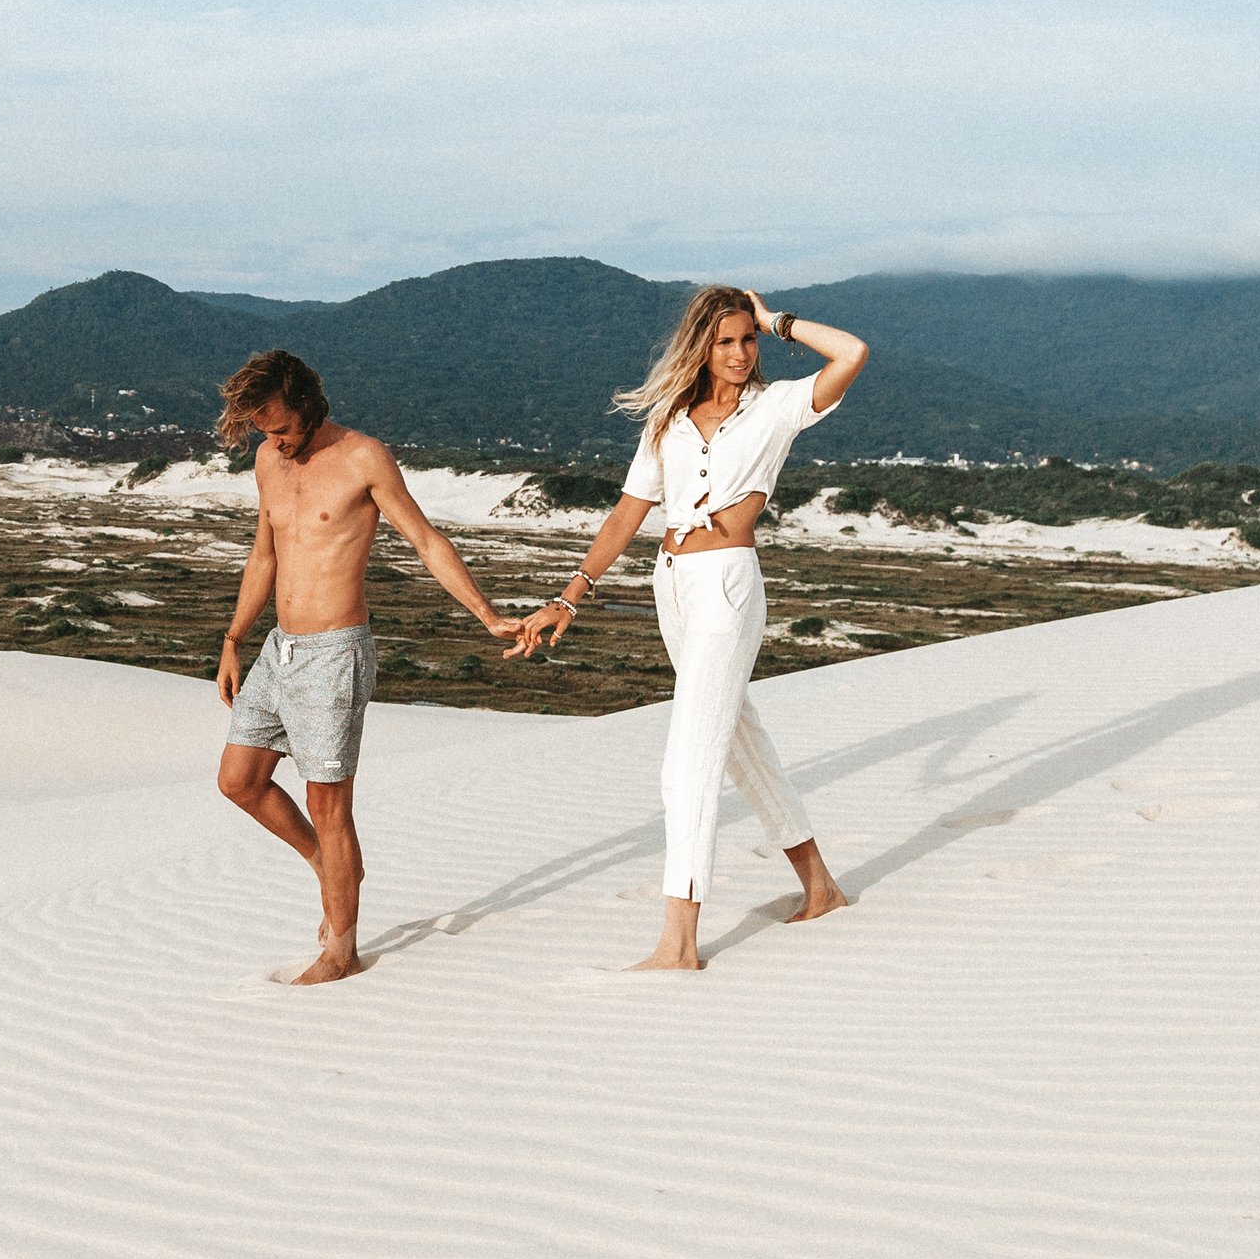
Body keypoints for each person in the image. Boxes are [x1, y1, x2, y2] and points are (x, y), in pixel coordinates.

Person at [508, 290, 869, 972]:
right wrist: (569, 597)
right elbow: (625, 515)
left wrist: (776, 320)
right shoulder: (667, 421)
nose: (740, 354)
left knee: (687, 763)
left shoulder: (777, 406)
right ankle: (820, 887)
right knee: (737, 742)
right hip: (671, 584)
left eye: (748, 341)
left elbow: (852, 353)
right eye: (726, 341)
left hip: (729, 585)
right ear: (700, 346)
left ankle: (679, 943)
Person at [216, 347, 523, 983]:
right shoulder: (268, 460)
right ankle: (333, 866)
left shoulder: (363, 457)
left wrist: (488, 615)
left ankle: (342, 951)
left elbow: (427, 541)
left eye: (278, 423)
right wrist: (234, 638)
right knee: (239, 781)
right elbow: (263, 556)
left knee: (329, 806)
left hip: (334, 652)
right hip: (281, 648)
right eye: (262, 429)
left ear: (304, 402)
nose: (272, 438)